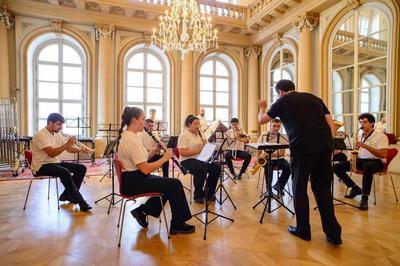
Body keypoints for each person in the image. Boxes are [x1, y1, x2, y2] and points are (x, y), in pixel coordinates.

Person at [258, 79, 342, 245]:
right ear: (293, 89)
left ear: (280, 91)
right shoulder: (314, 98)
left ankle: (303, 230)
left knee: (299, 188)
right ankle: (334, 234)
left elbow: (262, 120)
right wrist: (327, 144)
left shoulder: (281, 101)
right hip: (325, 146)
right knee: (323, 188)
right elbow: (330, 123)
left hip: (302, 147)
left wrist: (262, 106)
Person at [117, 107, 195, 234]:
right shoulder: (130, 140)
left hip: (135, 177)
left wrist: (154, 151)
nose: (145, 122)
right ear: (134, 120)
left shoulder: (132, 136)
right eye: (142, 119)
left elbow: (142, 160)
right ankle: (177, 224)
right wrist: (164, 158)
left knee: (169, 184)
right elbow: (145, 168)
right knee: (174, 184)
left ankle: (142, 211)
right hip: (133, 182)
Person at [31, 113, 92, 211]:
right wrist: (68, 143)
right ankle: (81, 202)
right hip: (41, 166)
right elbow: (52, 153)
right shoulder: (40, 135)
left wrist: (80, 149)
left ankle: (67, 195)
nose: (60, 127)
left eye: (61, 125)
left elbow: (69, 148)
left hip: (55, 163)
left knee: (81, 168)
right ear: (50, 122)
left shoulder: (57, 134)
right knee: (64, 172)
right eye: (58, 124)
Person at [333, 113, 388, 210]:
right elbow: (359, 151)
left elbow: (383, 154)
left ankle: (364, 198)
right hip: (361, 160)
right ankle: (354, 188)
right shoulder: (359, 135)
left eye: (365, 122)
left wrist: (365, 146)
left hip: (376, 161)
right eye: (361, 122)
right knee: (337, 167)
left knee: (368, 166)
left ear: (372, 123)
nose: (362, 124)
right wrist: (354, 156)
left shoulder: (381, 136)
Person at [178, 115, 221, 204]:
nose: (198, 126)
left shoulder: (201, 134)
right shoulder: (183, 135)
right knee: (200, 170)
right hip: (187, 160)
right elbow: (183, 152)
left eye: (199, 124)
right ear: (189, 124)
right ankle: (198, 195)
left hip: (200, 159)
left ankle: (208, 192)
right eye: (195, 124)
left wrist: (209, 149)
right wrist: (199, 149)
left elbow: (206, 146)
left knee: (216, 168)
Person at [257, 118, 291, 196]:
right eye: (274, 126)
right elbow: (258, 148)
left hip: (278, 159)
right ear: (270, 126)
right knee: (269, 167)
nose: (276, 128)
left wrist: (268, 153)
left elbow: (282, 153)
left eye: (278, 126)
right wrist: (258, 158)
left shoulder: (282, 137)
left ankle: (279, 186)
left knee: (288, 167)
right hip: (267, 159)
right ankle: (269, 190)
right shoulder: (264, 135)